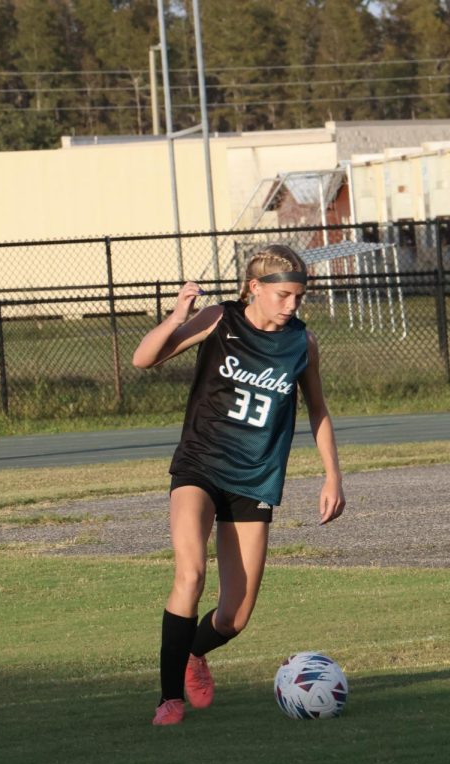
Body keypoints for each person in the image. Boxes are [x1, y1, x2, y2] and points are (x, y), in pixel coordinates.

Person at [131, 243, 346, 726]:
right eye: (285, 295)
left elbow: (318, 410)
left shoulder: (301, 344)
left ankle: (194, 653)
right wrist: (175, 317)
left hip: (256, 477)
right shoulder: (218, 319)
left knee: (234, 617)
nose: (293, 305)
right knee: (190, 575)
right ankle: (169, 699)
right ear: (255, 287)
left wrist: (332, 475)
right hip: (200, 466)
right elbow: (144, 360)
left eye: (299, 297)